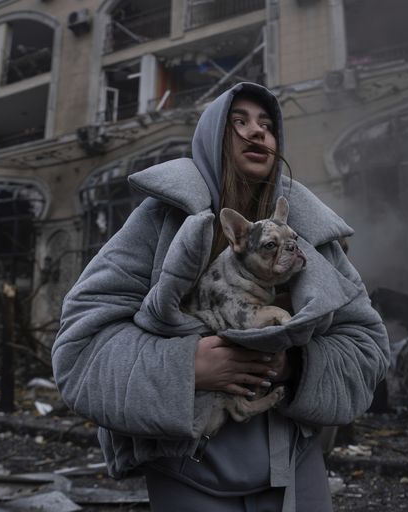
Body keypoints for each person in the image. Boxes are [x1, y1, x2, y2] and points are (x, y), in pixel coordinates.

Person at [52, 82, 389, 512]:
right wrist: (189, 367)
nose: (256, 132)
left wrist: (294, 366)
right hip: (187, 475)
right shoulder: (161, 220)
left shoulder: (308, 235)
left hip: (296, 472)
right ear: (213, 137)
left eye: (267, 125)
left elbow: (368, 348)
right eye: (239, 123)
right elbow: (80, 348)